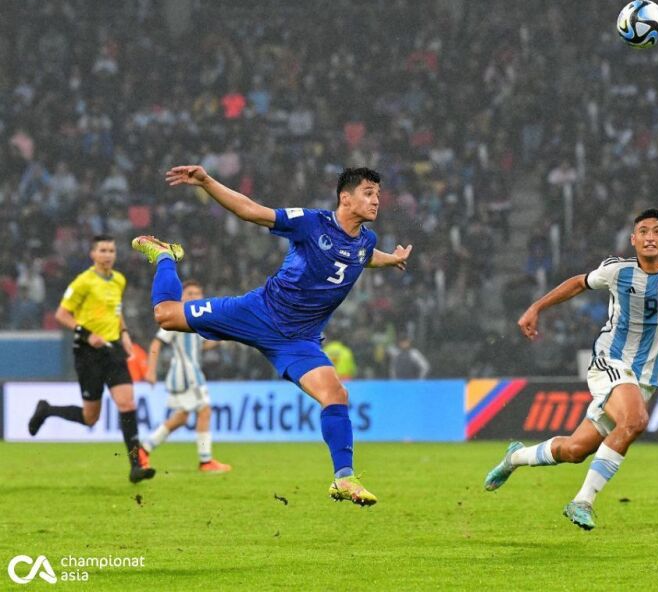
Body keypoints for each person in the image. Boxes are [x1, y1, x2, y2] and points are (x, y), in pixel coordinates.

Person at [131, 165, 411, 506]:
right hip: (259, 312)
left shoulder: (367, 241)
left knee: (336, 394)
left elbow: (363, 257)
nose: (376, 200)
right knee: (166, 316)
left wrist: (391, 259)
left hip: (299, 341)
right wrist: (206, 181)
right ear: (346, 198)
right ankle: (165, 256)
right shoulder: (311, 223)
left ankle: (344, 478)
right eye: (368, 193)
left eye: (378, 194)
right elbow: (250, 211)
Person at [484, 208, 658, 530]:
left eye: (657, 231)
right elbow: (578, 283)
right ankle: (582, 501)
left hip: (644, 379)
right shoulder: (618, 271)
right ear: (633, 240)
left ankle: (514, 458)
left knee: (575, 450)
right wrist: (536, 307)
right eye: (643, 231)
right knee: (636, 420)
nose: (650, 237)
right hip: (611, 361)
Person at [28, 235, 155, 483]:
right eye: (103, 250)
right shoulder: (83, 282)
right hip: (88, 353)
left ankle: (136, 466)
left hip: (113, 349)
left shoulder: (119, 280)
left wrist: (124, 333)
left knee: (127, 403)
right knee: (90, 418)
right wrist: (87, 334)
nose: (107, 255)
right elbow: (62, 315)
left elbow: (116, 311)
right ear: (93, 254)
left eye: (111, 251)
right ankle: (46, 410)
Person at [142, 280, 231, 473]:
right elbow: (156, 343)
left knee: (181, 418)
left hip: (190, 374)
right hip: (187, 375)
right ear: (182, 296)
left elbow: (201, 346)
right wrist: (151, 369)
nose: (194, 297)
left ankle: (144, 449)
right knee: (205, 411)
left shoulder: (198, 318)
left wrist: (222, 338)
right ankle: (205, 461)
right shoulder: (176, 315)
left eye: (197, 294)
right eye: (189, 293)